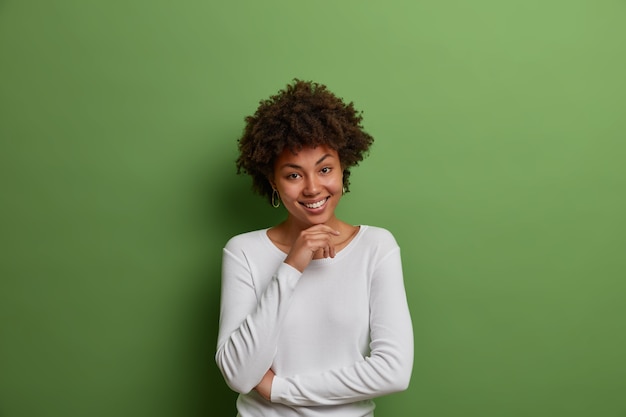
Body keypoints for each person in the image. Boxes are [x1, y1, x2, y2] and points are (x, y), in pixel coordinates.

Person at [215, 79, 414, 417]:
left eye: (324, 169)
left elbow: (394, 372)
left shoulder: (376, 247)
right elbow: (238, 374)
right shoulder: (243, 251)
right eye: (294, 175)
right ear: (272, 181)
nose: (312, 188)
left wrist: (280, 390)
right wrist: (292, 265)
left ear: (342, 169)